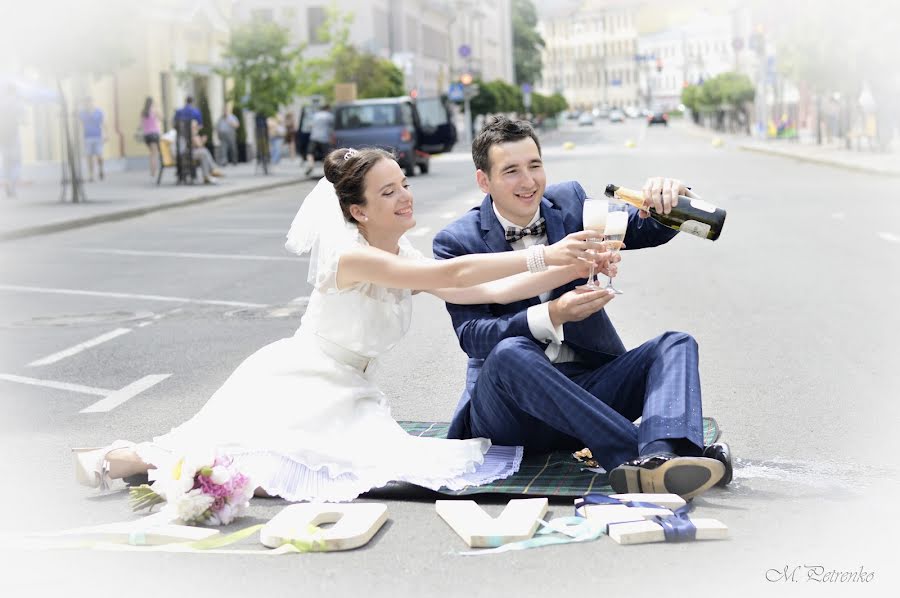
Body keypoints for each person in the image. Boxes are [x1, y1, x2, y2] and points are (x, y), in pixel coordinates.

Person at [73, 147, 616, 502]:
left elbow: (481, 289)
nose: (405, 196)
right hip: (296, 382)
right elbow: (457, 269)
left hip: (348, 390)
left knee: (323, 469)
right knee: (232, 467)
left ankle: (125, 461)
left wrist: (573, 264)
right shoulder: (349, 258)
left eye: (403, 184)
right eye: (388, 192)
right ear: (357, 211)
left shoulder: (401, 247)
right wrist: (545, 255)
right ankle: (110, 459)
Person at [432, 116, 732, 499]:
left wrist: (672, 197)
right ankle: (636, 451)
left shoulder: (569, 203)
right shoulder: (458, 241)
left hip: (588, 394)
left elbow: (643, 230)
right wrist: (553, 315)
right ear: (483, 181)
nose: (528, 182)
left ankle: (661, 458)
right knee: (509, 352)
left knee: (676, 343)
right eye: (511, 171)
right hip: (510, 414)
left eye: (534, 165)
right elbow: (473, 338)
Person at [0, 82, 23, 198]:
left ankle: (7, 183)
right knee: (16, 162)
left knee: (6, 163)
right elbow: (23, 118)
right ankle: (12, 186)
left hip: (3, 136)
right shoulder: (17, 103)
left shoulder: (2, 103)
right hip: (14, 136)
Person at [78, 97, 104, 182]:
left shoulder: (98, 112)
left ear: (93, 102)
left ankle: (100, 169)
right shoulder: (82, 113)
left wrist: (105, 135)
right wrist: (80, 137)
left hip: (97, 136)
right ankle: (91, 175)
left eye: (90, 102)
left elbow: (103, 123)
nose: (88, 104)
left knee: (99, 156)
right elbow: (80, 125)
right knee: (89, 157)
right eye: (86, 103)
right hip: (87, 137)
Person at [305, 103, 333, 176]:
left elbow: (309, 125)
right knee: (327, 155)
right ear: (328, 109)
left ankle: (311, 165)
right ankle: (327, 170)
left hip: (314, 137)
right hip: (324, 138)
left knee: (310, 153)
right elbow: (332, 127)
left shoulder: (315, 115)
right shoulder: (329, 116)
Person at [140, 97, 162, 179]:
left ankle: (152, 171)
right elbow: (161, 118)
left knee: (151, 153)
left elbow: (141, 124)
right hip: (154, 134)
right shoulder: (154, 111)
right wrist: (157, 108)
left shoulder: (143, 112)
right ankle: (153, 171)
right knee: (155, 154)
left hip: (147, 135)